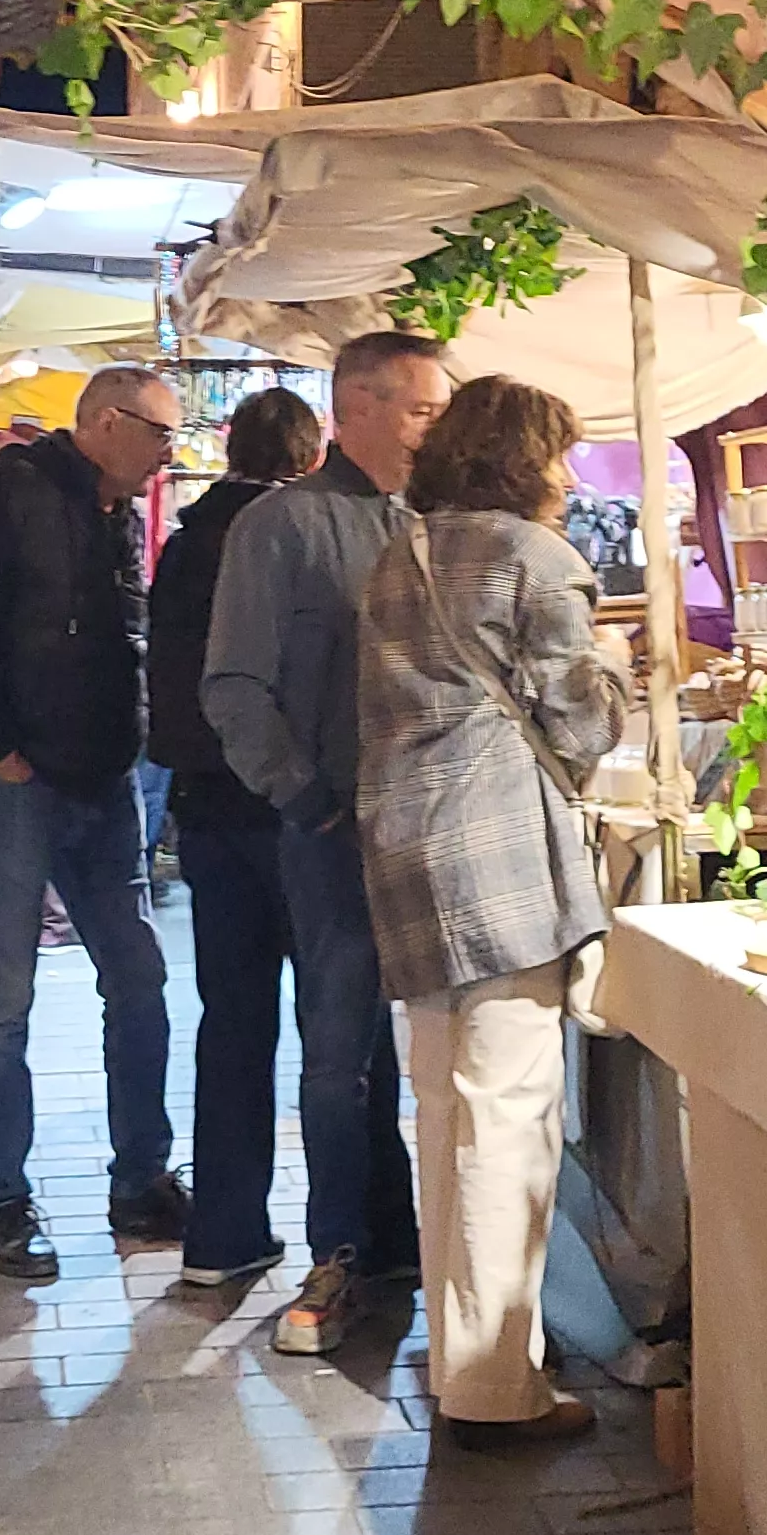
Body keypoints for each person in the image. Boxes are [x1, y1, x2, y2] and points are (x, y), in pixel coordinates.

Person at [357, 374, 627, 1449]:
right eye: (557, 452)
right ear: (523, 459)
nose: (567, 474)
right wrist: (613, 672)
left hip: (405, 850)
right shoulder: (535, 556)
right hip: (502, 858)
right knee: (508, 1115)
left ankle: (460, 1345)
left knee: (442, 1110)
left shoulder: (398, 552)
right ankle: (489, 1381)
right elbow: (580, 723)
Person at [203, 328, 453, 1354]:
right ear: (357, 407)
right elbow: (233, 684)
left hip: (433, 830)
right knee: (338, 1048)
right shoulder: (284, 525)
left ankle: (402, 1239)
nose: (437, 426)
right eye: (422, 408)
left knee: (428, 1054)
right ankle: (338, 1249)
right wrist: (305, 800)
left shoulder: (438, 523)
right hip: (337, 830)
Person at [0, 366, 190, 1283]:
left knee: (141, 976)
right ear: (107, 423)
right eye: (160, 433)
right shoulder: (6, 499)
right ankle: (2, 1203)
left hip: (101, 777)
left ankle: (142, 1178)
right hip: (16, 783)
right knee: (1, 1001)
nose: (170, 453)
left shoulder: (118, 512)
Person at [149, 388, 325, 1290]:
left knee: (233, 1023)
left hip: (209, 810)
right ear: (307, 458)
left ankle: (223, 1233)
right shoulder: (296, 541)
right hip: (292, 812)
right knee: (335, 1029)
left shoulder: (183, 547)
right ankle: (357, 1244)